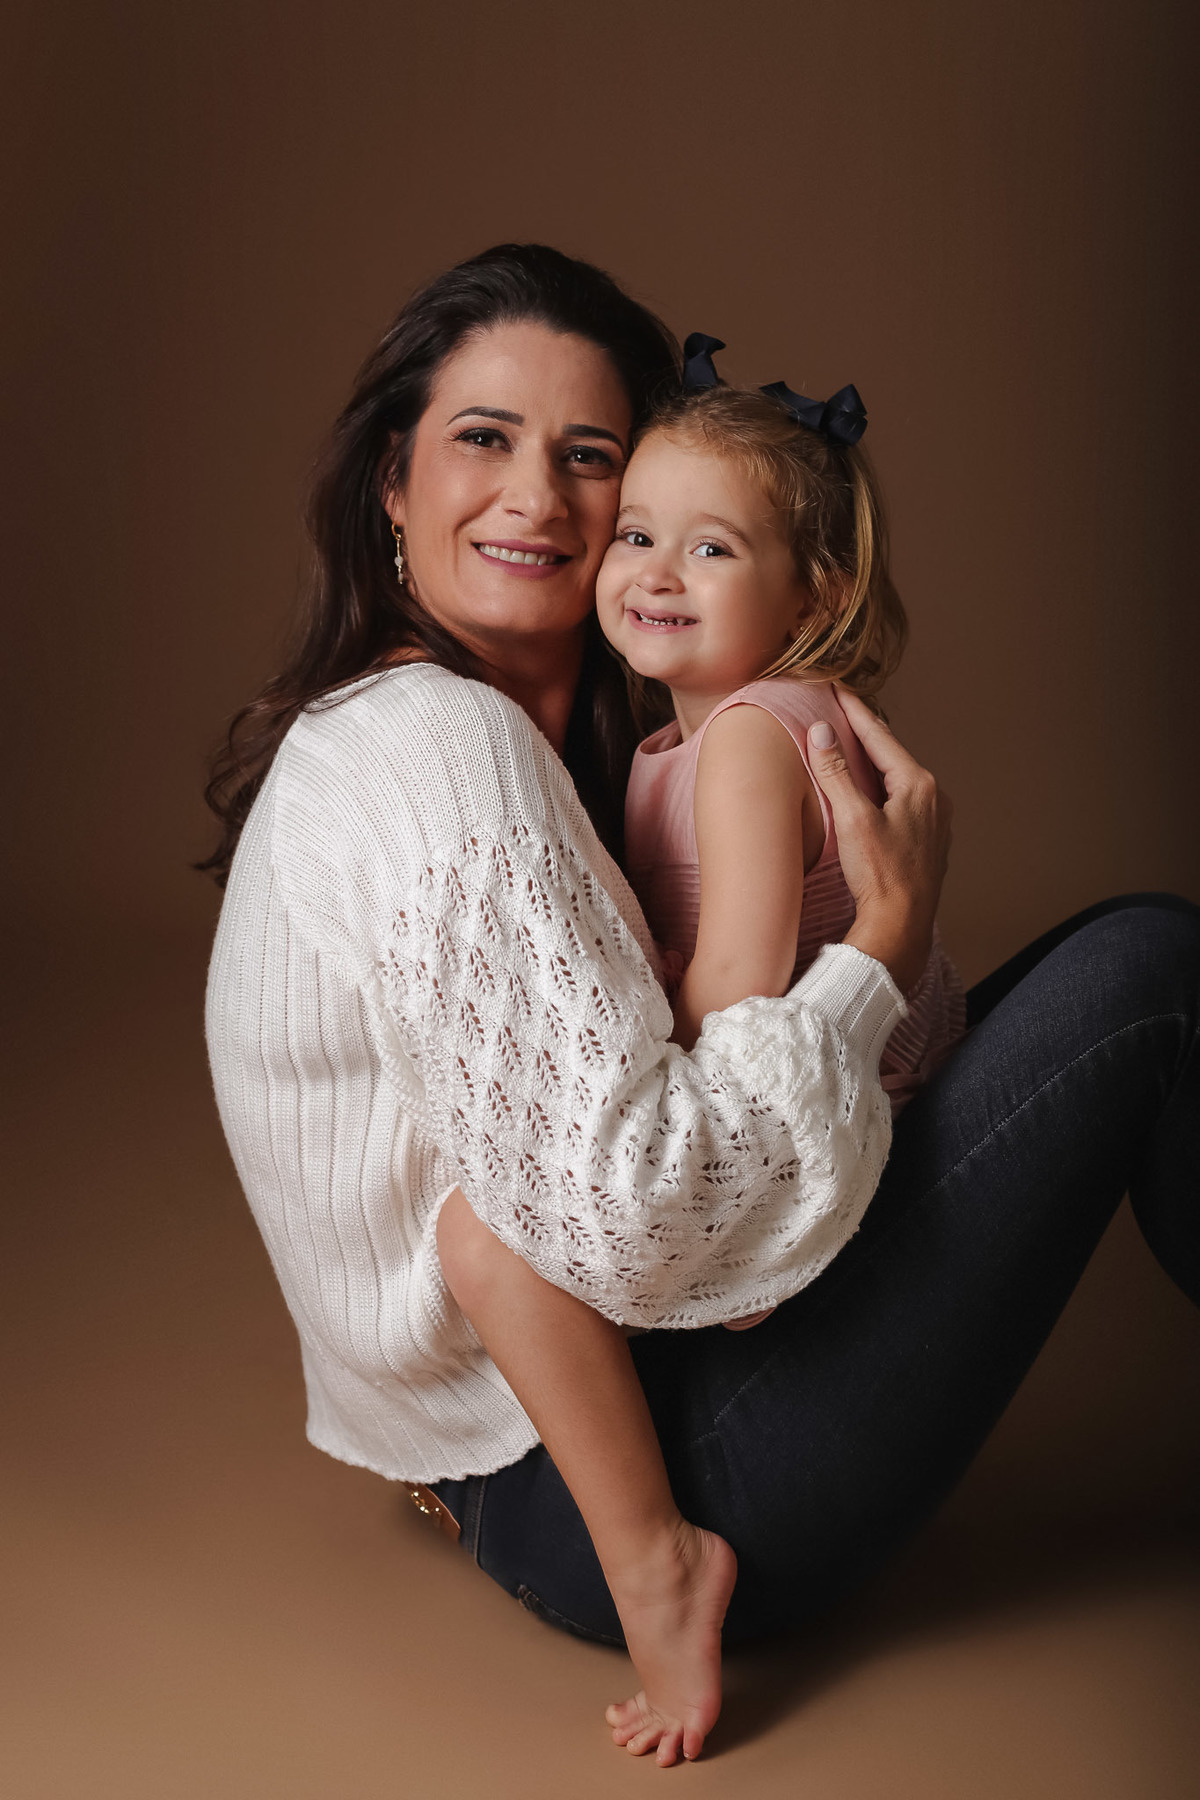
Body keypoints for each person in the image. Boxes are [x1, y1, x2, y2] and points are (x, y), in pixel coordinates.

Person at [202, 243, 1199, 1769]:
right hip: (618, 1489)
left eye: (588, 456)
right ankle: (670, 1572)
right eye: (483, 438)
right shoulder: (444, 757)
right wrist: (884, 945)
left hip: (543, 1431)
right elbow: (639, 1218)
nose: (537, 497)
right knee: (1150, 977)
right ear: (393, 486)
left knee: (1124, 961)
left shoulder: (501, 743)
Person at [432, 362, 970, 1760]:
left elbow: (739, 980)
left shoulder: (747, 738)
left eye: (713, 547)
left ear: (813, 594)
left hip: (828, 1107)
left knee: (496, 1236)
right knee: (527, 1224)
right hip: (805, 1085)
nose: (655, 572)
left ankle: (664, 1559)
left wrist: (604, 1048)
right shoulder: (688, 739)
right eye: (637, 534)